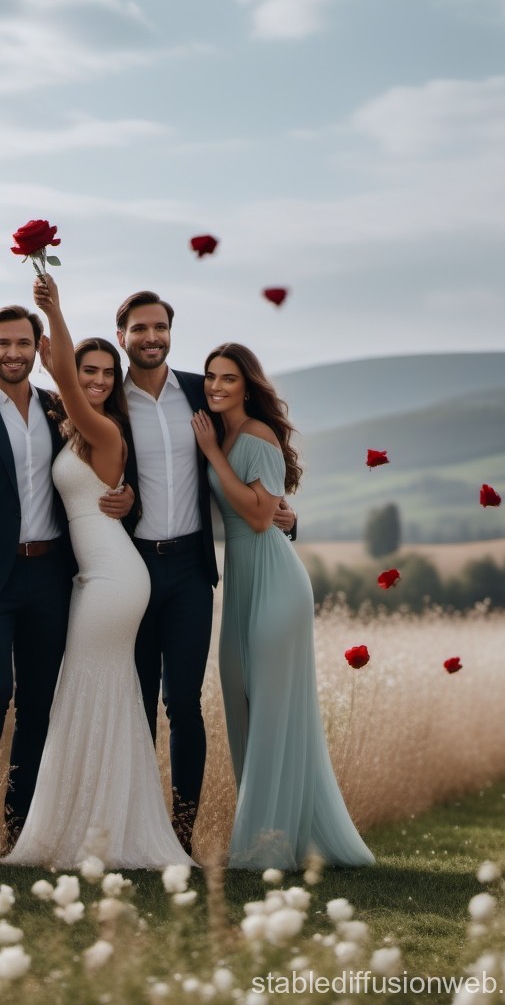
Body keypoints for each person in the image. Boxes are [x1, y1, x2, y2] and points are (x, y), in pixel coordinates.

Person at [0, 274, 193, 869]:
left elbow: (56, 370)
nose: (98, 380)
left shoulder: (103, 429)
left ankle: (98, 832)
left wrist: (53, 311)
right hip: (97, 576)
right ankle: (98, 827)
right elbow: (58, 380)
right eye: (91, 372)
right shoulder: (73, 429)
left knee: (87, 692)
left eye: (108, 373)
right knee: (100, 697)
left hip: (115, 579)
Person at [0, 301, 132, 854]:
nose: (13, 353)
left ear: (36, 349)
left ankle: (22, 824)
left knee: (39, 702)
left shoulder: (56, 409)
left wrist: (122, 495)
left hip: (51, 576)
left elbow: (90, 471)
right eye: (3, 343)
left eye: (23, 344)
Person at [106, 291, 297, 854]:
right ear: (122, 337)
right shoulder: (108, 401)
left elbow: (252, 452)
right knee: (136, 700)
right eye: (139, 328)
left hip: (191, 570)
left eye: (160, 326)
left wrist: (283, 509)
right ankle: (136, 827)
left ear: (170, 331)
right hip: (132, 570)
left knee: (183, 705)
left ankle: (181, 834)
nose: (151, 336)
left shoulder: (200, 391)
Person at [191, 342, 373, 869]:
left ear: (248, 385)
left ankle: (263, 848)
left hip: (275, 582)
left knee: (270, 707)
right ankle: (274, 833)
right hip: (241, 583)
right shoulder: (221, 433)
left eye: (228, 379)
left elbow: (257, 517)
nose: (216, 387)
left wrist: (212, 457)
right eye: (210, 378)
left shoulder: (257, 436)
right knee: (242, 703)